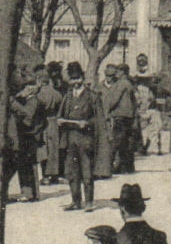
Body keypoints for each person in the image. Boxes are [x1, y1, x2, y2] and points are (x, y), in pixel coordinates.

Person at [58, 62, 100, 211]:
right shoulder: (67, 96)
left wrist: (87, 123)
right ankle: (76, 201)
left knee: (87, 171)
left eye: (77, 79)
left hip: (85, 138)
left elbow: (98, 118)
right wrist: (61, 121)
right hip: (70, 138)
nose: (75, 82)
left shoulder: (91, 96)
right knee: (72, 171)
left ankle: (89, 202)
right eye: (72, 79)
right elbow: (61, 115)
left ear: (82, 78)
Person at [4, 74, 41, 204]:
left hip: (28, 137)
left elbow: (27, 116)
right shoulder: (25, 100)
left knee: (25, 165)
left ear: (31, 88)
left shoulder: (33, 101)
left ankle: (30, 193)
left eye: (25, 87)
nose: (22, 90)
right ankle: (29, 193)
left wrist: (13, 103)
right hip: (23, 137)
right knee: (23, 165)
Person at [101, 63, 136, 175]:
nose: (116, 74)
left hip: (120, 115)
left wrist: (104, 110)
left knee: (116, 142)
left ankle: (109, 167)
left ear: (122, 72)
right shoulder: (129, 83)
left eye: (118, 72)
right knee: (125, 142)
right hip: (128, 116)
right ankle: (126, 167)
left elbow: (113, 100)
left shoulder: (121, 83)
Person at [35, 63, 64, 185]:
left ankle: (46, 176)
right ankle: (54, 175)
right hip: (54, 121)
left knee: (43, 149)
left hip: (42, 122)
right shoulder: (56, 93)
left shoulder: (38, 94)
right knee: (53, 149)